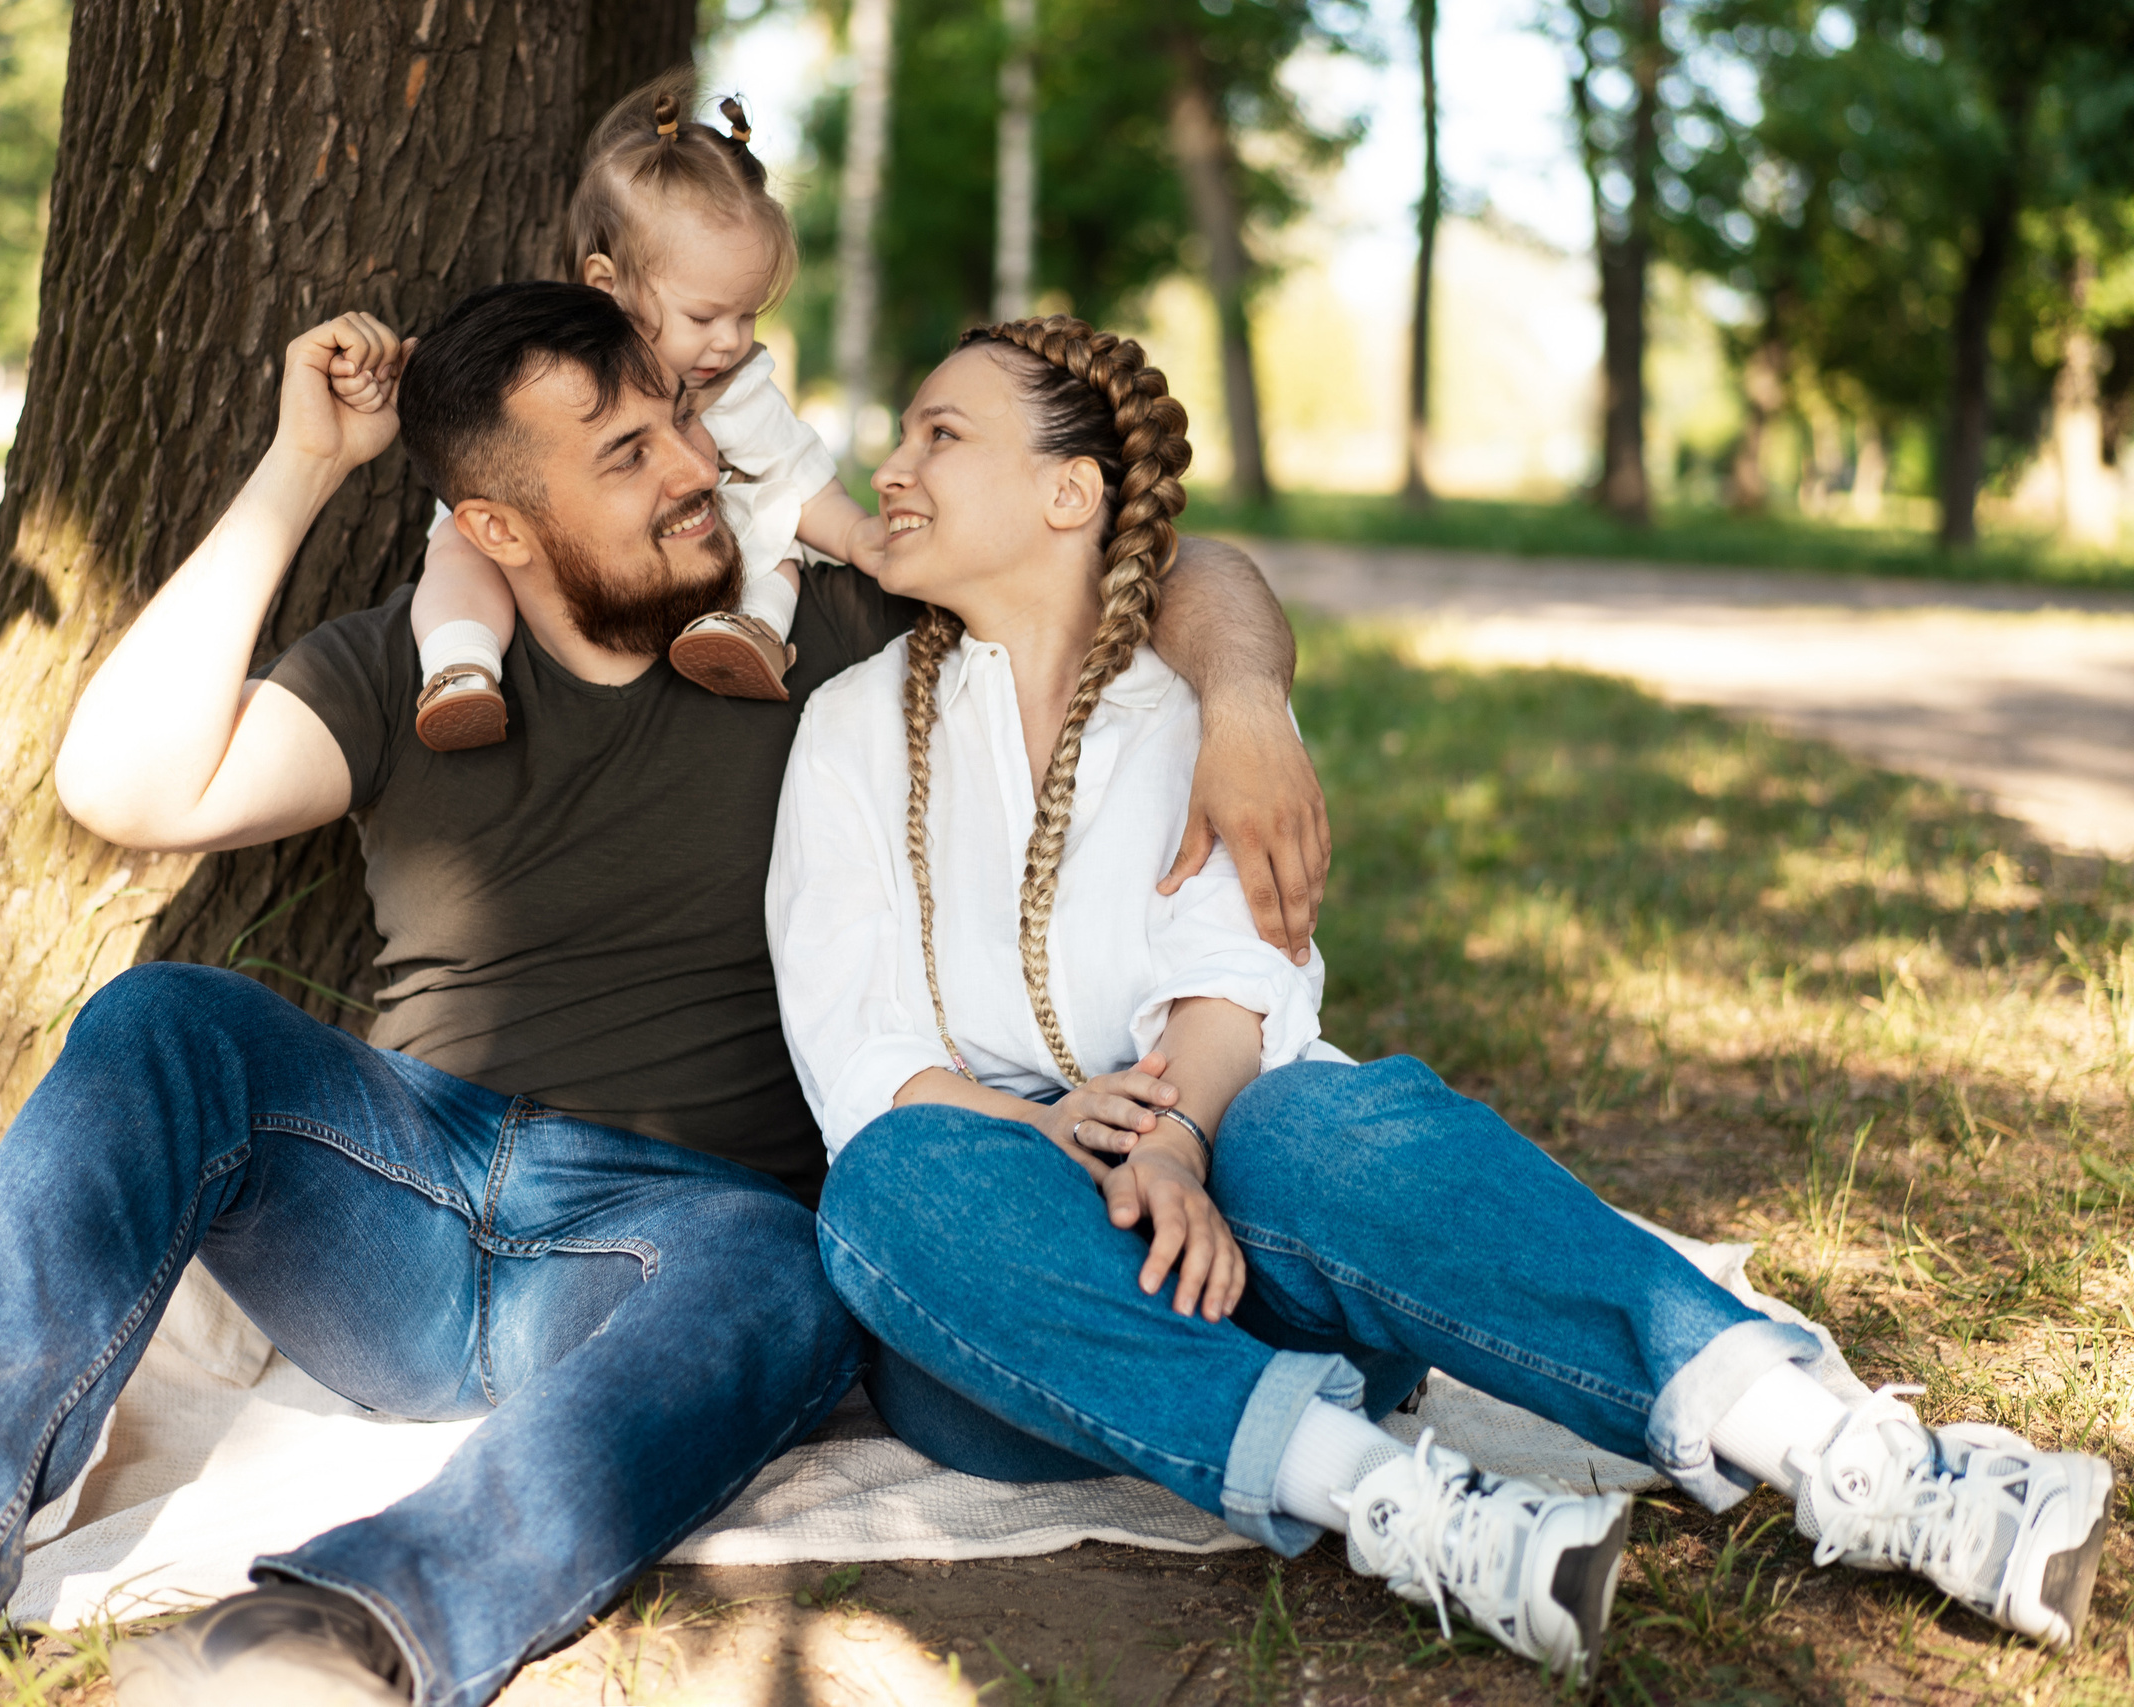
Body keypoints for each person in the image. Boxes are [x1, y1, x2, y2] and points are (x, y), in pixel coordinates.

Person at [0, 283, 1331, 1707]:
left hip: (688, 1232)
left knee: (805, 1269)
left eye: (678, 427)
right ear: (498, 519)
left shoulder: (837, 643)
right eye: (628, 452)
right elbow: (122, 786)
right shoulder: (407, 671)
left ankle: (341, 1639)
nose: (692, 469)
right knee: (164, 1019)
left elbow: (1152, 561)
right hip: (397, 1202)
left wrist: (1244, 698)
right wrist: (298, 466)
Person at [767, 315, 2114, 1686]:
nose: (893, 466)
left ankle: (1858, 1459)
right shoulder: (855, 724)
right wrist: (1045, 1131)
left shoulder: (1187, 708)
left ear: (1070, 492)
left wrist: (1173, 1138)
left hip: (1239, 1206)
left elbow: (1243, 961)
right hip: (1020, 1275)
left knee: (1312, 1124)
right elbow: (852, 1033)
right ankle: (1405, 1507)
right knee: (887, 1190)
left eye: (941, 432)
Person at [407, 74, 882, 750]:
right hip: (528, 535)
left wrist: (861, 537)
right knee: (456, 546)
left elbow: (801, 473)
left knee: (778, 535)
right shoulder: (551, 366)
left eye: (748, 314)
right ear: (607, 285)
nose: (732, 340)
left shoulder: (739, 384)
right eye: (704, 315)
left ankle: (756, 631)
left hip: (697, 549)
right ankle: (460, 667)